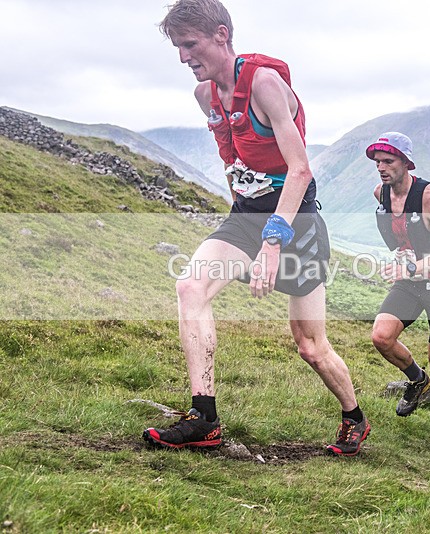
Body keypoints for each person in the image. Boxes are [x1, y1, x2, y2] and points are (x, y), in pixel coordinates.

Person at [144, 0, 369, 456]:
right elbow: (232, 157)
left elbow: (300, 170)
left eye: (190, 44)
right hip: (246, 215)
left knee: (310, 346)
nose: (184, 57)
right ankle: (204, 419)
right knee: (190, 286)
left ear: (221, 35)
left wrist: (272, 243)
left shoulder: (264, 84)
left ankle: (354, 417)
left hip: (296, 223)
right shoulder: (205, 95)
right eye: (178, 48)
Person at [367, 132, 430, 441]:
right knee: (381, 337)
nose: (381, 167)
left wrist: (411, 266)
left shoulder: (429, 196)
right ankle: (417, 380)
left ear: (406, 163)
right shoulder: (381, 194)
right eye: (377, 162)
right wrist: (407, 267)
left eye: (388, 161)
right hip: (409, 282)